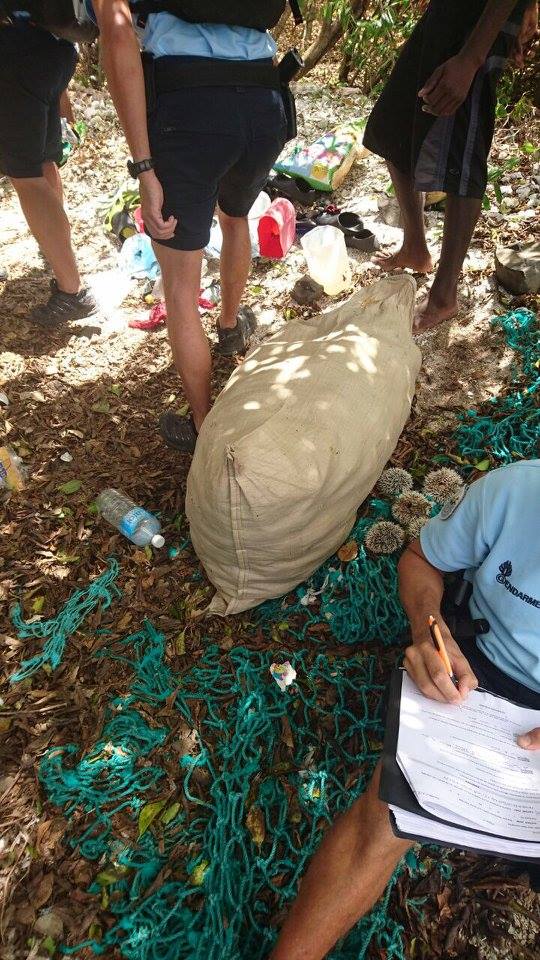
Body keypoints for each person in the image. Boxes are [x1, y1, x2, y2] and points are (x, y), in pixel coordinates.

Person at [271, 459, 540, 960]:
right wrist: (429, 631)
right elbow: (422, 559)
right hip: (480, 668)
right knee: (388, 813)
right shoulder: (517, 490)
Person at [93, 1, 291, 453]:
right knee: (235, 214)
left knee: (181, 287)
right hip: (264, 102)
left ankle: (204, 425)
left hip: (190, 108)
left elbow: (118, 34)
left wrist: (145, 169)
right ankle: (228, 326)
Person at [363, 0, 539, 331]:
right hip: (450, 12)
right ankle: (416, 245)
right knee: (391, 126)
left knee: (462, 148)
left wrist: (471, 59)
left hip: (480, 24)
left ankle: (444, 294)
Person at [0, 15, 97, 327]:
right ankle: (58, 256)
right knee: (43, 161)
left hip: (16, 52)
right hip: (56, 48)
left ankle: (73, 292)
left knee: (26, 176)